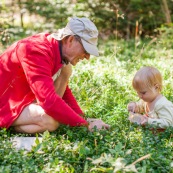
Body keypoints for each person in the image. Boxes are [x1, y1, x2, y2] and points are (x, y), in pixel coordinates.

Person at [0, 17, 110, 133]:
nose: (87, 57)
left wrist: (82, 118)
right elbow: (48, 101)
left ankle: (21, 121)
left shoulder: (56, 51)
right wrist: (86, 126)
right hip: (4, 104)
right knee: (50, 121)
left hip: (20, 99)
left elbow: (64, 93)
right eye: (86, 50)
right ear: (70, 40)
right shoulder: (36, 50)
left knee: (66, 69)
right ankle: (7, 126)